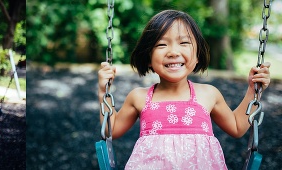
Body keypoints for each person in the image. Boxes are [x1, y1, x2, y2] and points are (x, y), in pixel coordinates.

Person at [97, 10, 272, 169]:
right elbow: (111, 130)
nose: (173, 52)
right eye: (161, 45)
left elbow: (236, 127)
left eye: (184, 42)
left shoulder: (208, 94)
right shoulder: (139, 97)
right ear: (148, 57)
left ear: (197, 56)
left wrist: (253, 90)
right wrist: (102, 91)